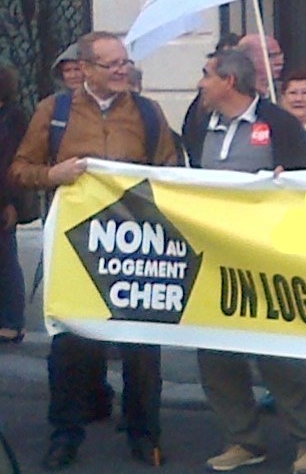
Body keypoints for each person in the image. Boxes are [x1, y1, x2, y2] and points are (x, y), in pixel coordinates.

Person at [8, 32, 178, 470]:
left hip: (136, 247)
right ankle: (65, 434)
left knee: (141, 345)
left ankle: (144, 433)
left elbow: (171, 171)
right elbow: (20, 169)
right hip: (77, 248)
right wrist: (52, 175)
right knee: (71, 346)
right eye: (112, 64)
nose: (122, 70)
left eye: (125, 62)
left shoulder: (148, 112)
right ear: (85, 69)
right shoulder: (55, 112)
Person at [188, 48, 306, 474]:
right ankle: (243, 440)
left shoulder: (280, 123)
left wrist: (290, 185)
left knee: (279, 356)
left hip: (267, 260)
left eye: (207, 74)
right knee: (216, 356)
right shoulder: (199, 121)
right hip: (214, 258)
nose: (201, 83)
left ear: (229, 81)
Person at [0, 65, 29, 345]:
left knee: (5, 259)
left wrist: (11, 202)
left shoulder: (14, 117)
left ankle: (11, 321)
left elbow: (13, 160)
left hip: (4, 196)